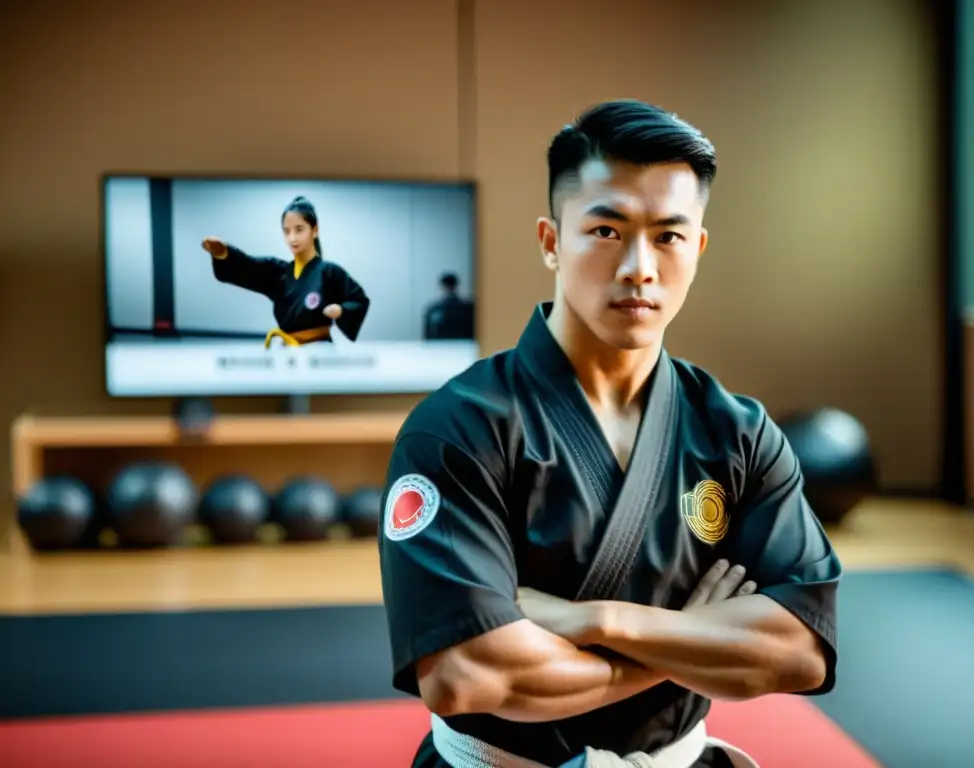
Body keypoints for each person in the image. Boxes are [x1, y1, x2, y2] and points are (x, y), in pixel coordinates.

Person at [378, 99, 841, 768]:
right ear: (550, 241)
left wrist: (598, 620)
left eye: (669, 236)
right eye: (606, 230)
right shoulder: (458, 429)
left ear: (698, 248)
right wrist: (690, 641)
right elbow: (471, 673)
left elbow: (799, 650)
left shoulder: (736, 431)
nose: (639, 267)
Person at [201, 196, 371, 347]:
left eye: (299, 229)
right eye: (287, 231)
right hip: (285, 350)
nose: (292, 238)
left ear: (315, 230)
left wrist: (341, 310)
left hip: (318, 350)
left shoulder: (329, 272)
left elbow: (358, 299)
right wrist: (223, 253)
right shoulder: (278, 272)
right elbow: (248, 266)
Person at [423, 272, 475, 340]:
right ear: (456, 286)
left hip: (441, 347)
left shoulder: (433, 310)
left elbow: (428, 336)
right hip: (464, 346)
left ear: (441, 287)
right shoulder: (468, 308)